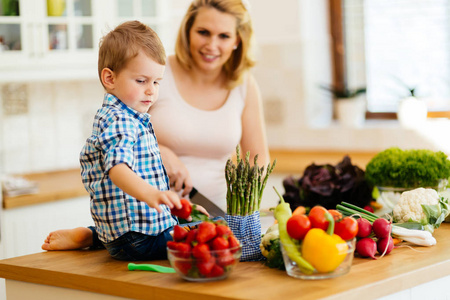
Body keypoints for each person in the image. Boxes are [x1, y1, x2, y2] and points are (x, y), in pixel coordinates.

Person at [42, 0, 269, 252]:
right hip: (154, 209)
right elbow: (120, 153)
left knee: (204, 231)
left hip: (189, 210)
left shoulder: (242, 84)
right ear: (187, 31)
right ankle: (100, 237)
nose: (211, 44)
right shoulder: (152, 70)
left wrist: (244, 214)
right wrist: (161, 161)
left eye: (224, 35)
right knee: (184, 238)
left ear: (238, 39)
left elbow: (257, 161)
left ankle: (94, 236)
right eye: (203, 32)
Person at [42, 20, 205, 261]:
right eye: (141, 81)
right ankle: (98, 237)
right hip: (138, 240)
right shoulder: (121, 121)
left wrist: (172, 205)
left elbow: (143, 181)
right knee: (214, 231)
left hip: (125, 235)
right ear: (109, 78)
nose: (151, 90)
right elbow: (118, 169)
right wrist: (151, 194)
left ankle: (91, 236)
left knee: (195, 221)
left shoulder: (123, 117)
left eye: (156, 82)